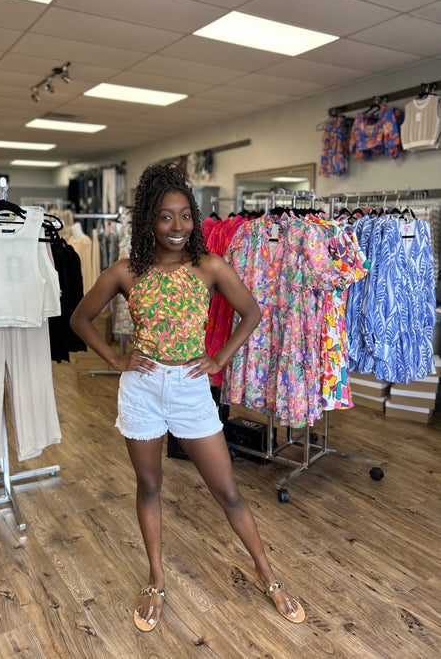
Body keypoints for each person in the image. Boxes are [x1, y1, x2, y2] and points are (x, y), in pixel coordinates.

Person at [70, 163, 305, 631]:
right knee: (150, 486)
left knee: (229, 492)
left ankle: (268, 575)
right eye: (165, 217)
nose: (177, 227)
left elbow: (252, 312)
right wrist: (116, 362)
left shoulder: (209, 266)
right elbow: (79, 319)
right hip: (141, 389)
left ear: (194, 217)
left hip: (191, 390)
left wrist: (218, 360)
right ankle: (156, 579)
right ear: (147, 222)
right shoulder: (125, 272)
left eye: (185, 216)